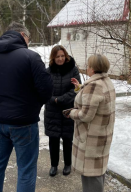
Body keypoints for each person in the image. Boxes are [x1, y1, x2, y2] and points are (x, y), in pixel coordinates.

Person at [0, 22, 53, 192]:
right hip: (24, 122)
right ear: (22, 35)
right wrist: (33, 103)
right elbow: (46, 90)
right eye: (29, 39)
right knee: (26, 169)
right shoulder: (31, 57)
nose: (29, 42)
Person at [69, 54, 116, 192]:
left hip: (90, 139)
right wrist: (80, 88)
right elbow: (94, 99)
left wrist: (71, 112)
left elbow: (85, 115)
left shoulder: (94, 86)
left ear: (93, 69)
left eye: (88, 65)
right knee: (98, 172)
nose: (87, 67)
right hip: (101, 135)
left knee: (90, 177)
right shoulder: (106, 82)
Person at [44, 45, 81, 177]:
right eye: (57, 56)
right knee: (53, 140)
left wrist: (61, 99)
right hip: (52, 111)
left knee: (67, 138)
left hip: (68, 109)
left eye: (62, 56)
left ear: (66, 56)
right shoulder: (48, 72)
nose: (60, 58)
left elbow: (76, 89)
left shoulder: (73, 70)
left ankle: (67, 164)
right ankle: (54, 165)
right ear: (53, 58)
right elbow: (43, 90)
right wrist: (53, 100)